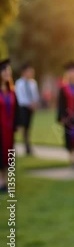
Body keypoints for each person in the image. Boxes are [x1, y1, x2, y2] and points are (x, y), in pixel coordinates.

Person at [56, 61, 74, 169]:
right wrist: (62, 117)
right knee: (70, 140)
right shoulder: (63, 89)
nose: (73, 74)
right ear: (67, 74)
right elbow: (61, 104)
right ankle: (73, 159)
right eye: (71, 72)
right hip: (68, 118)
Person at [0, 59, 19, 192]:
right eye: (5, 71)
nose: (8, 73)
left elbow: (16, 109)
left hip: (9, 128)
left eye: (9, 71)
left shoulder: (12, 91)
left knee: (8, 153)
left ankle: (7, 180)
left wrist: (16, 124)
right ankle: (1, 181)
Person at [15, 63, 39, 155]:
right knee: (22, 127)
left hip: (31, 108)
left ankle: (27, 146)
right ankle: (26, 146)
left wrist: (35, 103)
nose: (32, 73)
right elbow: (20, 97)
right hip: (23, 108)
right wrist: (29, 104)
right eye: (30, 71)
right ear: (24, 72)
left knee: (28, 127)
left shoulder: (33, 83)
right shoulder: (19, 83)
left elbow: (35, 95)